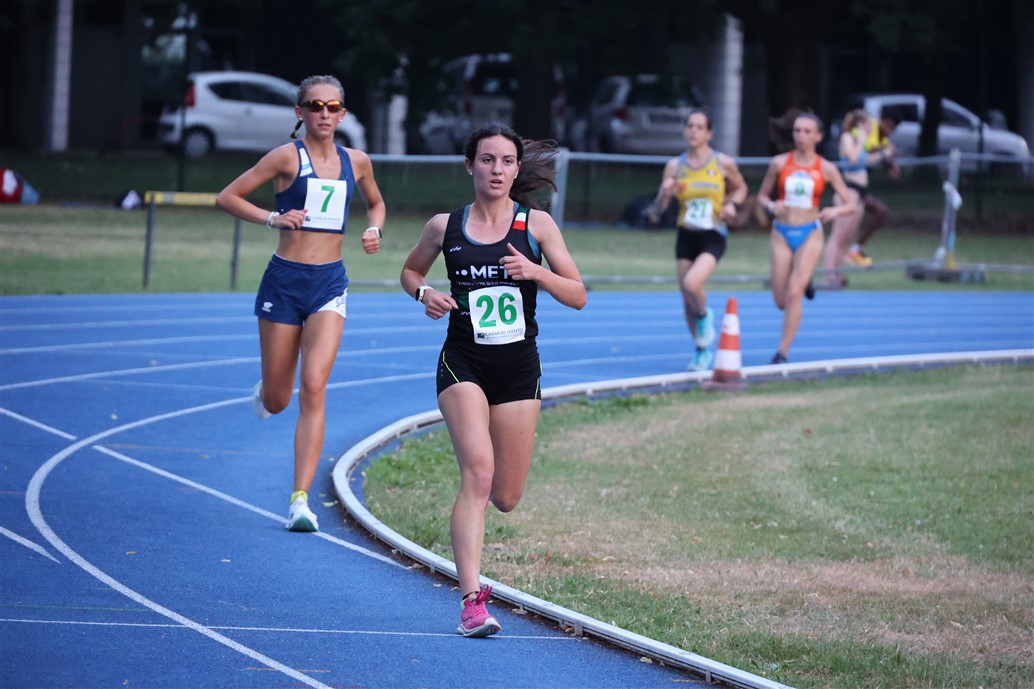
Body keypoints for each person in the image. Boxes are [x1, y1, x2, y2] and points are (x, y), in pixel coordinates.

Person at [400, 123, 586, 637]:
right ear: (470, 166)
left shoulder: (537, 225)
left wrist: (537, 273)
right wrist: (425, 295)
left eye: (506, 161)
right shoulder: (445, 226)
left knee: (505, 495)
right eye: (487, 160)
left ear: (517, 168)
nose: (497, 170)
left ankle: (474, 576)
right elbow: (410, 272)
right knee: (478, 474)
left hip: (518, 369)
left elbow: (578, 294)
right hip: (463, 362)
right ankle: (471, 602)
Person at [215, 75, 385, 532]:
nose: (323, 113)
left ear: (342, 114)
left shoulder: (357, 161)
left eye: (332, 106)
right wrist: (273, 217)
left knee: (313, 386)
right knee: (277, 400)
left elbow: (376, 203)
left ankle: (300, 501)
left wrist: (374, 229)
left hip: (329, 283)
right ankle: (268, 390)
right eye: (314, 105)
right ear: (300, 112)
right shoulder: (285, 158)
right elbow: (227, 197)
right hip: (284, 282)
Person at [648, 108, 748, 371]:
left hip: (713, 234)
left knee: (692, 284)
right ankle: (701, 351)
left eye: (699, 127)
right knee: (686, 298)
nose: (693, 131)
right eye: (689, 126)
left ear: (709, 133)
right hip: (686, 235)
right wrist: (664, 193)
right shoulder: (675, 166)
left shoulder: (722, 162)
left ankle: (705, 316)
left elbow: (741, 187)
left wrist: (732, 205)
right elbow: (658, 211)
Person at [756, 112, 856, 364]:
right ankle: (804, 279)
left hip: (810, 232)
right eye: (797, 131)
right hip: (781, 232)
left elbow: (850, 204)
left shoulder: (826, 168)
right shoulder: (779, 163)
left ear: (818, 137)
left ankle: (782, 352)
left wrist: (834, 211)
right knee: (780, 301)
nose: (801, 136)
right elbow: (762, 196)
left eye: (807, 131)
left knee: (794, 295)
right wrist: (771, 206)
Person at [844, 113, 901, 266]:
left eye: (893, 129)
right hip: (850, 185)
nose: (889, 131)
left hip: (860, 186)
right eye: (868, 124)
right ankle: (840, 264)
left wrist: (890, 162)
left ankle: (853, 251)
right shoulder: (855, 135)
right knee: (841, 235)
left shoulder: (880, 137)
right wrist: (885, 153)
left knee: (879, 213)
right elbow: (870, 151)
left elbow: (881, 153)